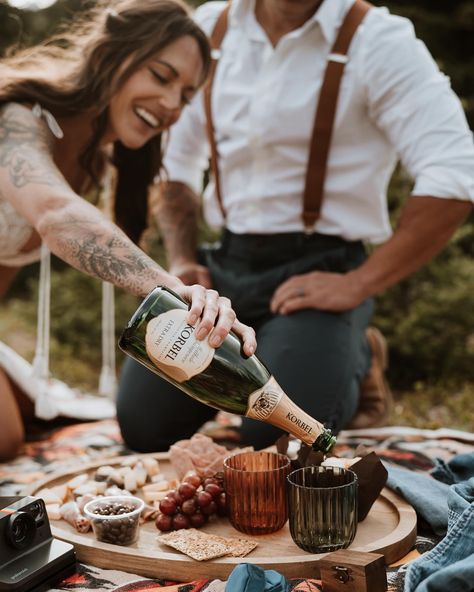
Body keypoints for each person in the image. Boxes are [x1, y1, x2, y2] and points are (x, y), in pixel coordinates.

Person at [116, 0, 474, 453]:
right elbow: (176, 164)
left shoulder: (378, 40)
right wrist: (184, 257)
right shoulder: (208, 30)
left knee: (278, 437)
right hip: (225, 267)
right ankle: (304, 352)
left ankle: (357, 354)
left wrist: (357, 284)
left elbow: (455, 173)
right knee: (143, 428)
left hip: (322, 271)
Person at [0, 0, 256, 462]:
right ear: (112, 54)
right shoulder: (19, 119)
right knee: (6, 440)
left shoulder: (95, 160)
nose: (172, 105)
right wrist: (179, 292)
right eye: (161, 77)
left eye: (186, 95)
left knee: (27, 424)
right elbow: (55, 213)